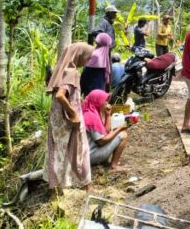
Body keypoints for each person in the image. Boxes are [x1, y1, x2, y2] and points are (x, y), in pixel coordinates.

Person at [44, 42, 94, 194]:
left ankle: (56, 189)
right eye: (88, 58)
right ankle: (87, 187)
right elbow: (60, 95)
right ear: (80, 56)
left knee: (57, 152)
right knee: (81, 149)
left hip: (57, 121)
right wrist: (73, 113)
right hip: (68, 121)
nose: (88, 62)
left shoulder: (60, 71)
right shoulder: (72, 72)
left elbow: (57, 93)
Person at [82, 90, 129, 171]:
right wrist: (119, 129)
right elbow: (101, 141)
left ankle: (104, 161)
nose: (106, 103)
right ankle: (114, 166)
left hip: (89, 153)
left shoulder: (91, 111)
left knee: (115, 133)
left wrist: (108, 115)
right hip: (90, 155)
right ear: (97, 102)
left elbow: (106, 131)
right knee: (123, 135)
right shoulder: (91, 117)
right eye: (104, 101)